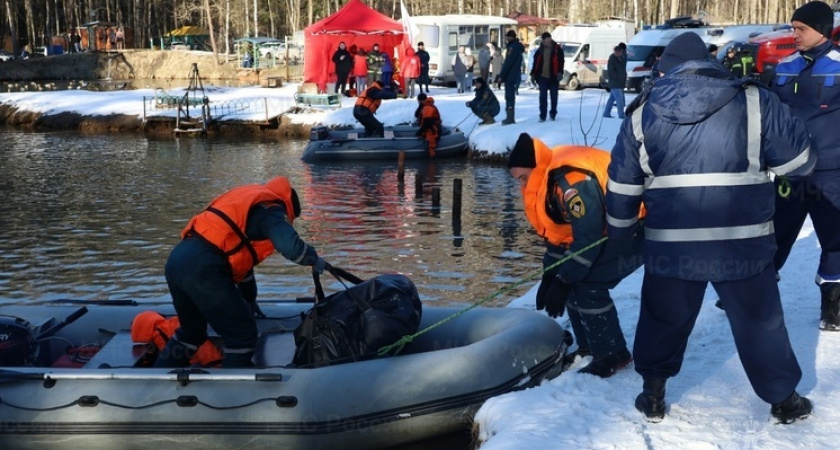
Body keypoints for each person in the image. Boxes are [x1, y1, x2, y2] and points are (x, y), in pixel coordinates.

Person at [606, 32, 815, 424]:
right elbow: (799, 164)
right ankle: (784, 400)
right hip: (744, 244)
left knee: (663, 317)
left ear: (664, 69)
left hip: (672, 245)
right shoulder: (755, 100)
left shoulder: (641, 111)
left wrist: (619, 234)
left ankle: (653, 394)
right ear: (712, 64)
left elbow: (622, 185)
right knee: (759, 321)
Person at [507, 133, 644, 378]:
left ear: (535, 168)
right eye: (517, 180)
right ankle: (589, 346)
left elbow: (587, 238)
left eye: (524, 178)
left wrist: (564, 279)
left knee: (588, 283)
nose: (522, 186)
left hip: (639, 227)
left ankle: (613, 353)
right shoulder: (547, 181)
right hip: (608, 229)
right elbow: (561, 235)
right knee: (570, 278)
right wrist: (551, 273)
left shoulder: (572, 183)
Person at [155, 176, 327, 368]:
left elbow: (243, 269)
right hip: (204, 268)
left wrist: (250, 299)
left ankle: (156, 375)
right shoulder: (272, 208)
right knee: (242, 335)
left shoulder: (248, 202)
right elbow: (292, 247)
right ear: (289, 208)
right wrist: (314, 259)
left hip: (178, 260)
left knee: (192, 332)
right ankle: (233, 389)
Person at [771, 1, 840, 331]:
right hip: (789, 171)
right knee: (771, 235)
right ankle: (752, 295)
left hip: (831, 172)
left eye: (801, 29)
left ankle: (833, 305)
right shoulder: (784, 67)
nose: (794, 34)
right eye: (792, 27)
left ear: (823, 30)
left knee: (836, 240)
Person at [530, 32, 563, 122]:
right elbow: (535, 63)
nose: (548, 41)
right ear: (543, 40)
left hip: (553, 76)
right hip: (542, 77)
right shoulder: (540, 50)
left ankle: (553, 113)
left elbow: (561, 61)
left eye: (549, 38)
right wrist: (533, 74)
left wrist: (560, 72)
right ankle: (542, 115)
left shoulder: (557, 49)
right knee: (543, 97)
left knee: (554, 97)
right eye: (546, 39)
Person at [495, 30, 525, 125]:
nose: (506, 39)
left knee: (509, 96)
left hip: (510, 75)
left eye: (507, 37)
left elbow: (508, 63)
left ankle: (510, 117)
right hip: (514, 74)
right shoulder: (517, 47)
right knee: (510, 95)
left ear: (511, 37)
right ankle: (509, 116)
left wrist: (502, 75)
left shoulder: (513, 48)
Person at [603, 45, 627, 119]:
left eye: (619, 52)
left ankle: (606, 113)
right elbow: (611, 71)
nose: (618, 53)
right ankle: (621, 114)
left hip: (620, 82)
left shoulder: (621, 58)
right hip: (615, 83)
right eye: (616, 52)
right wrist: (617, 78)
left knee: (612, 99)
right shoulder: (612, 59)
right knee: (619, 99)